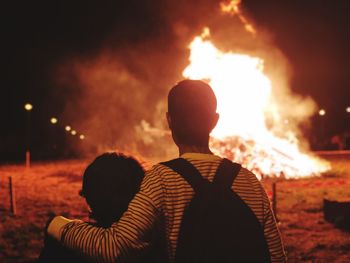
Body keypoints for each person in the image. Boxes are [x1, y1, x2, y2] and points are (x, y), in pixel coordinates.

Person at [47, 79, 287, 262]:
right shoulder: (249, 180)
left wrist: (57, 224)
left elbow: (114, 246)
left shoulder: (162, 179)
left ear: (169, 120)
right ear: (214, 121)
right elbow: (276, 256)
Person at [39, 152, 166, 263]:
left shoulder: (63, 245)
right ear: (140, 192)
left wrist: (55, 224)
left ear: (89, 195)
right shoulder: (160, 244)